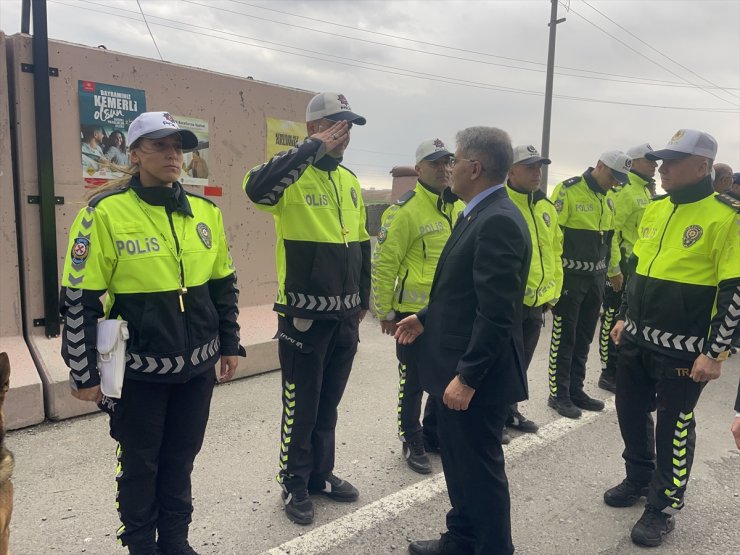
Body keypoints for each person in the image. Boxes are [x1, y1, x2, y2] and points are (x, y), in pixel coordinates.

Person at [60, 111, 243, 555]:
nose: (173, 155)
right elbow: (80, 299)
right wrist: (84, 372)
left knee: (181, 461)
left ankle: (176, 542)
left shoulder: (205, 213)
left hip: (197, 368)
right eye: (160, 145)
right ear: (136, 153)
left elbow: (223, 284)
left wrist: (230, 341)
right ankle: (141, 545)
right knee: (141, 466)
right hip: (137, 372)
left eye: (179, 147)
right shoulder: (103, 213)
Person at [396, 127, 530, 555]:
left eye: (454, 160)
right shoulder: (476, 213)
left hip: (475, 377)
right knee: (459, 464)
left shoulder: (499, 222)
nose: (449, 168)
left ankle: (492, 547)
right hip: (454, 366)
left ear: (474, 167)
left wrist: (468, 377)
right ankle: (463, 538)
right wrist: (425, 317)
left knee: (480, 471)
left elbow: (496, 312)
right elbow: (461, 293)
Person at [606, 129, 739, 547]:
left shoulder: (728, 216)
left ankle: (663, 505)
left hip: (685, 350)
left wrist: (715, 351)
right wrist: (625, 315)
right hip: (638, 339)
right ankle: (639, 477)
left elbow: (734, 290)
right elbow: (638, 267)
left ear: (702, 167)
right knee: (629, 411)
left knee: (674, 426)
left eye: (674, 161)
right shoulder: (656, 208)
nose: (662, 168)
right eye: (662, 160)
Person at [243, 92, 370, 525]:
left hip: (345, 316)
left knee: (328, 404)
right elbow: (255, 188)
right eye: (336, 124)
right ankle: (293, 481)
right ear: (314, 128)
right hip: (303, 314)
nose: (344, 132)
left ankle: (320, 474)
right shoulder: (290, 177)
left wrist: (362, 299)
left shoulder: (350, 181)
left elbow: (360, 244)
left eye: (348, 125)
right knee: (301, 403)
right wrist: (310, 148)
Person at [372, 138, 463, 473]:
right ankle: (411, 439)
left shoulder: (455, 207)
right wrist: (384, 310)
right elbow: (384, 263)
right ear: (419, 168)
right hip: (411, 314)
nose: (444, 169)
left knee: (444, 377)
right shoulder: (404, 210)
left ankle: (433, 434)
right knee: (412, 382)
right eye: (435, 162)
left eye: (448, 162)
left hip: (445, 314)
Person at [546, 151, 628, 418]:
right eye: (613, 176)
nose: (615, 182)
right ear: (600, 166)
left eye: (619, 179)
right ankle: (558, 394)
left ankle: (576, 389)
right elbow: (552, 237)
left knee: (584, 337)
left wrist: (614, 271)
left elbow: (611, 240)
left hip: (596, 280)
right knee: (564, 336)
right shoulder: (568, 190)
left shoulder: (609, 200)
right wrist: (552, 279)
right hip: (570, 278)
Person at [504, 145, 562, 435]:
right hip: (508, 304)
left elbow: (554, 252)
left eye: (539, 167)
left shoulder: (545, 207)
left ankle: (510, 411)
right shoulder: (503, 204)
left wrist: (552, 294)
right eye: (530, 167)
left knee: (521, 365)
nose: (537, 173)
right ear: (511, 171)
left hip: (537, 303)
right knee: (499, 365)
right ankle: (492, 417)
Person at [597, 143, 657, 393]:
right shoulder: (625, 189)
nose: (656, 165)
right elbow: (614, 231)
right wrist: (615, 269)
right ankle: (608, 370)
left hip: (639, 264)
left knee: (629, 318)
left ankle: (621, 367)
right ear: (634, 162)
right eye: (650, 160)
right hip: (623, 263)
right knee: (612, 317)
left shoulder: (645, 190)